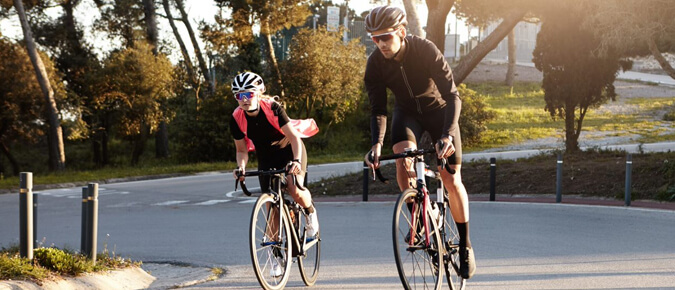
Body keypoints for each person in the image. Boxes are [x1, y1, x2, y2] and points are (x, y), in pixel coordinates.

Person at [362, 6, 476, 279]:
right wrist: (376, 144)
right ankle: (421, 214)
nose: (380, 44)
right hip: (407, 114)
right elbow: (378, 110)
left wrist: (447, 135)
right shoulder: (375, 64)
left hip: (439, 111)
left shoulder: (425, 50)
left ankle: (465, 244)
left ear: (401, 33)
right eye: (374, 39)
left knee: (451, 179)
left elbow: (452, 97)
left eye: (385, 37)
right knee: (403, 158)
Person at [229, 72, 319, 276]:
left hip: (290, 150)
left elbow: (295, 139)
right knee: (271, 208)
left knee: (294, 188)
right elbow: (242, 150)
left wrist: (296, 162)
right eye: (239, 96)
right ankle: (276, 257)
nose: (244, 100)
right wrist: (241, 167)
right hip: (266, 158)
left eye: (248, 94)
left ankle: (310, 213)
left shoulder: (273, 108)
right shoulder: (236, 117)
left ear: (259, 93)